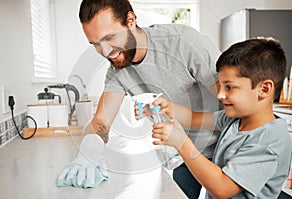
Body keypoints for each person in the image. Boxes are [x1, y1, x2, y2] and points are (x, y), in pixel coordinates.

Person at [79, 0, 222, 197]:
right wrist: (90, 149)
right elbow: (101, 122)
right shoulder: (117, 71)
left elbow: (234, 103)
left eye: (110, 37)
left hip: (225, 146)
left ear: (130, 20)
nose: (105, 52)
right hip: (183, 153)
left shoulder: (183, 43)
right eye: (95, 44)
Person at [151, 37, 292, 198]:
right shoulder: (234, 119)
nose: (220, 95)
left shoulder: (269, 141)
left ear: (264, 89)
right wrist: (167, 108)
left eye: (229, 87)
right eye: (221, 86)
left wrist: (182, 143)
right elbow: (193, 118)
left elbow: (222, 188)